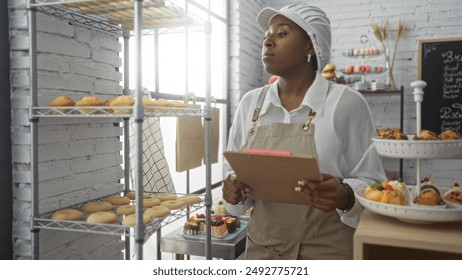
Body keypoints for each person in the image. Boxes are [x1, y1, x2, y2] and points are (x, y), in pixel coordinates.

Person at [222, 3, 387, 260]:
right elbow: (235, 192)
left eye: (282, 33)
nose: (267, 41)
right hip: (264, 250)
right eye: (267, 34)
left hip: (329, 251)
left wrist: (345, 196)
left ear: (310, 45)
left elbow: (376, 185)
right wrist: (232, 191)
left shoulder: (347, 103)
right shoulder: (250, 103)